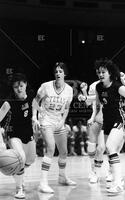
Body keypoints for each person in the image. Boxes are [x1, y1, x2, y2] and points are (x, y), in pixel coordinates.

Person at [91, 58, 125, 194]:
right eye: (99, 72)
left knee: (110, 147)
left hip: (120, 119)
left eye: (103, 72)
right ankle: (120, 179)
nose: (100, 75)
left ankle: (118, 184)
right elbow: (100, 102)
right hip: (108, 121)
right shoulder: (99, 87)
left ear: (110, 73)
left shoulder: (118, 87)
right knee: (111, 151)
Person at [32, 62, 76, 194]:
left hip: (58, 121)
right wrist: (34, 116)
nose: (58, 73)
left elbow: (67, 107)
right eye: (56, 71)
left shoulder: (69, 90)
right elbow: (35, 101)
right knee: (51, 148)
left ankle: (62, 177)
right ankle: (43, 183)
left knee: (64, 152)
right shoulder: (45, 86)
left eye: (60, 71)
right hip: (46, 120)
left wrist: (63, 120)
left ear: (65, 74)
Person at [0, 73, 36, 199]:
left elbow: (35, 106)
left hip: (28, 133)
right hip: (13, 133)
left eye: (21, 85)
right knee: (20, 157)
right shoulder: (9, 102)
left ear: (25, 84)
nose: (19, 89)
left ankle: (17, 173)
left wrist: (37, 118)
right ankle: (19, 188)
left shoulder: (31, 96)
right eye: (16, 87)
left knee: (30, 159)